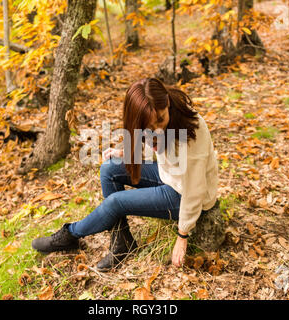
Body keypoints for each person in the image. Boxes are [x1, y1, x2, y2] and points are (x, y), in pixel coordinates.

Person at [31, 77, 218, 271]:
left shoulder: (192, 130)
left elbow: (195, 190)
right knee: (109, 168)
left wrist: (183, 235)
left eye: (161, 120)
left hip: (187, 195)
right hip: (170, 177)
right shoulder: (154, 125)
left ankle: (70, 234)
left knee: (116, 202)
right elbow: (155, 147)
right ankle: (122, 242)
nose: (158, 132)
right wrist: (126, 154)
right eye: (149, 128)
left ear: (167, 103)